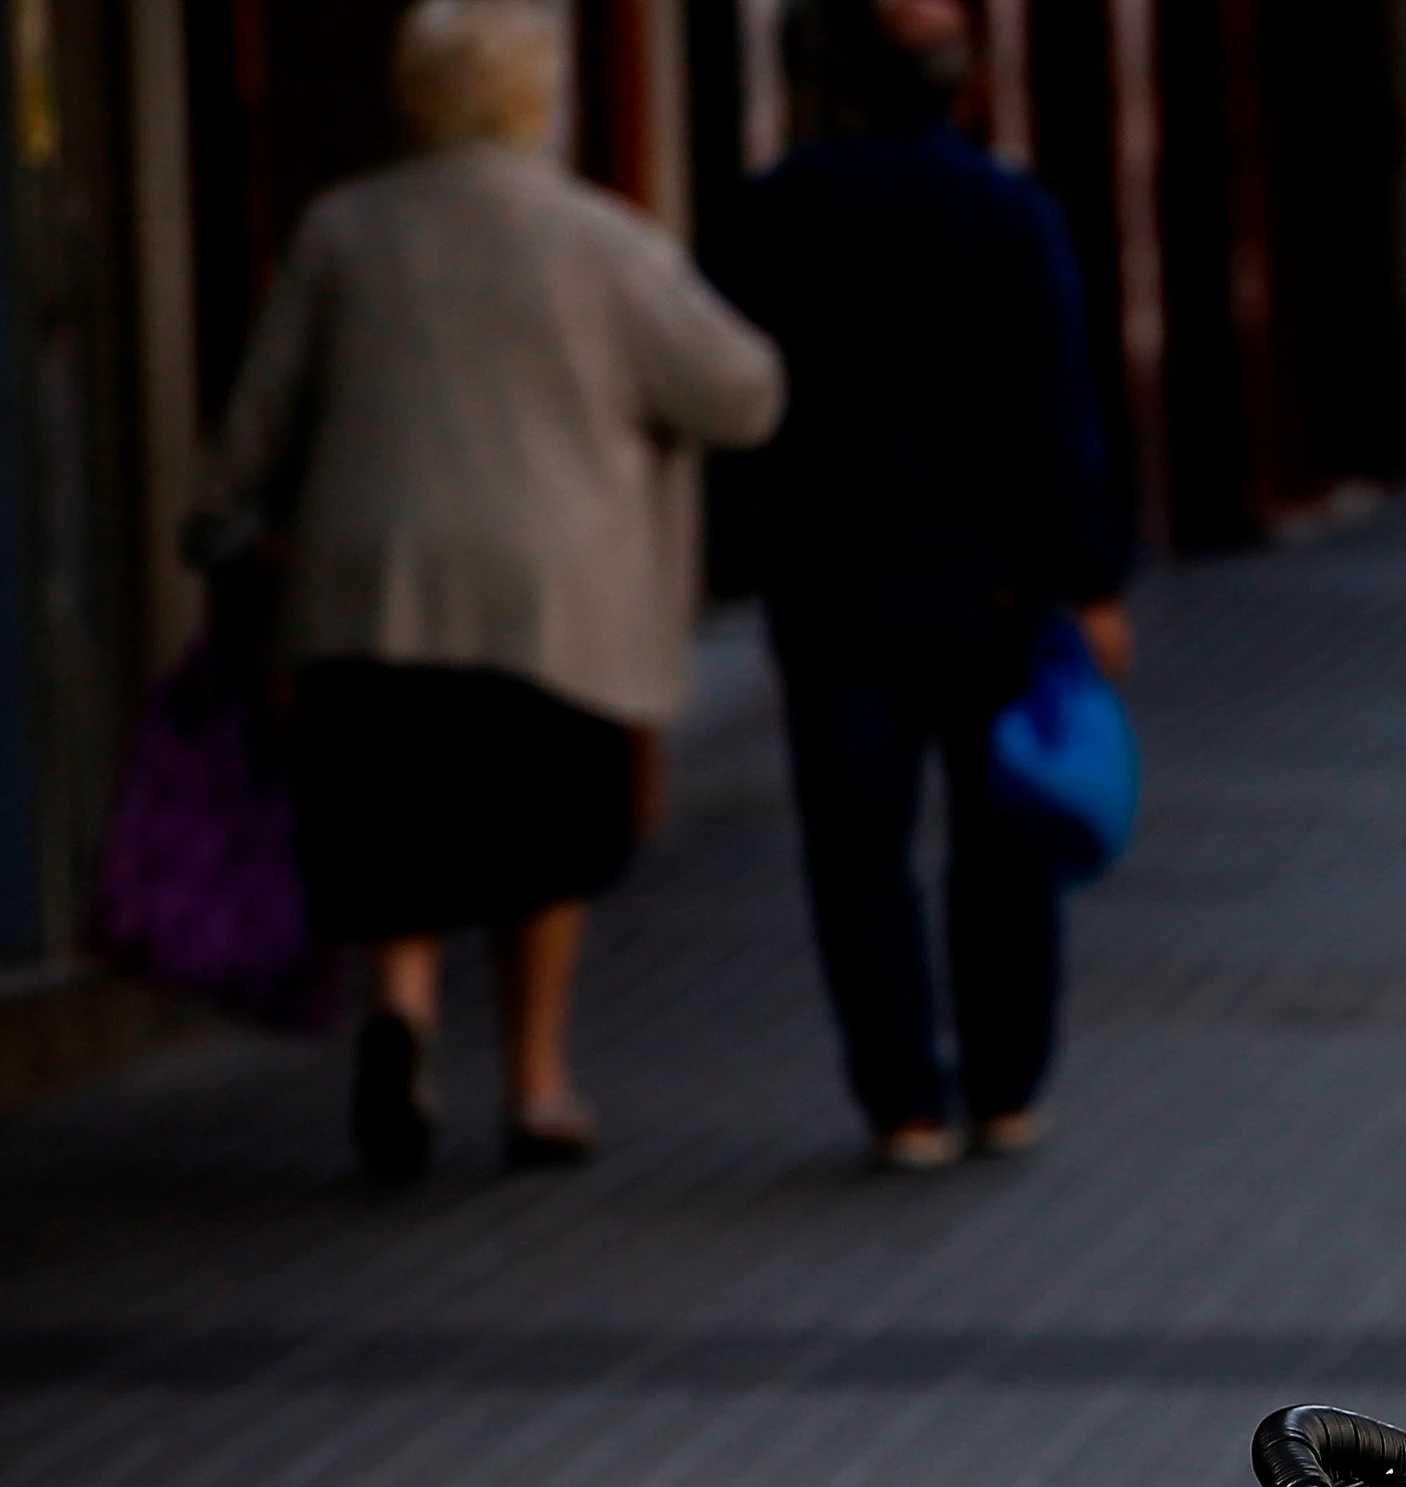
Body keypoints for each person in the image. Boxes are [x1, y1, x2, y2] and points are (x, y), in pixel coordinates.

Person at [196, 0, 784, 1180]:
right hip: (550, 598)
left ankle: (404, 1016)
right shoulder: (601, 239)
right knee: (545, 839)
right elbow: (741, 389)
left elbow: (263, 411)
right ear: (536, 94)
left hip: (371, 588)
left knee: (394, 819)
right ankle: (535, 1081)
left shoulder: (341, 231)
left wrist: (217, 523)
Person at [712, 0, 1131, 1173]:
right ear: (961, 87)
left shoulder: (778, 209)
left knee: (856, 852)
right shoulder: (1007, 211)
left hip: (835, 583)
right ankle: (1003, 1087)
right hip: (990, 583)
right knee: (1001, 841)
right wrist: (1090, 579)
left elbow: (730, 391)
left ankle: (903, 1101)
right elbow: (1063, 406)